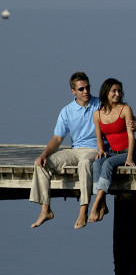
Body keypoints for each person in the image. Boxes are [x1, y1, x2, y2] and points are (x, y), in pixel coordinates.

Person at [30, 72, 100, 229]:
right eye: (81, 89)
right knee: (42, 164)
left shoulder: (100, 104)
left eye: (88, 88)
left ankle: (83, 209)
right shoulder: (67, 111)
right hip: (75, 150)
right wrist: (44, 154)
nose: (86, 91)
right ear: (73, 91)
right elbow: (57, 139)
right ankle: (45, 210)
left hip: (95, 149)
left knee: (84, 163)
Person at [88, 78, 136, 223]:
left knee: (108, 164)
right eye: (114, 91)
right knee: (97, 163)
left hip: (133, 152)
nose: (117, 94)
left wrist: (129, 157)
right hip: (114, 152)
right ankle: (103, 204)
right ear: (106, 92)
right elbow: (99, 138)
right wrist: (100, 150)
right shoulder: (97, 114)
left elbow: (131, 136)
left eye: (119, 91)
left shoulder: (125, 109)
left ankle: (96, 203)